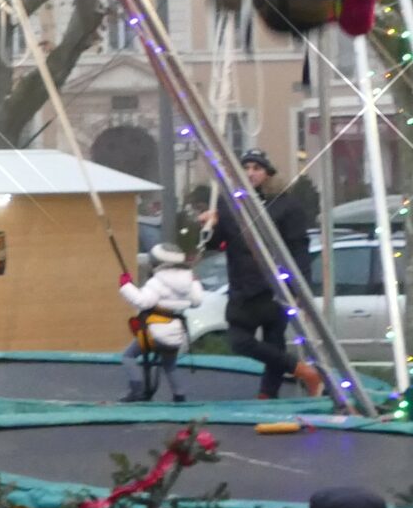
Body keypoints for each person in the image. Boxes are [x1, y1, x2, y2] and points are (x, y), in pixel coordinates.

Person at [203, 150, 324, 400]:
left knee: (274, 342)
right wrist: (209, 226)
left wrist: (301, 288)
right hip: (242, 287)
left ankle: (268, 394)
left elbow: (299, 248)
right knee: (239, 341)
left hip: (274, 287)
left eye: (256, 168)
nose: (250, 173)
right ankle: (302, 371)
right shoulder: (229, 204)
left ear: (267, 173)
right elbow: (217, 243)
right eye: (246, 168)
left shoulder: (285, 205)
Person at [117, 244, 204, 402]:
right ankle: (179, 395)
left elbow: (143, 302)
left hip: (155, 332)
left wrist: (126, 286)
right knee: (169, 365)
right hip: (176, 333)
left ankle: (136, 389)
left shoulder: (157, 282)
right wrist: (196, 282)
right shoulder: (189, 281)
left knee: (128, 356)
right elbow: (197, 301)